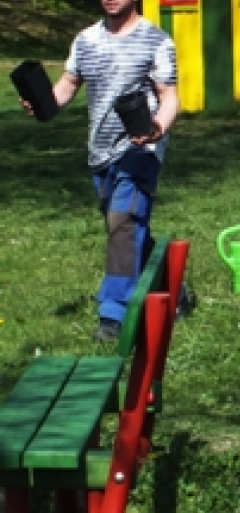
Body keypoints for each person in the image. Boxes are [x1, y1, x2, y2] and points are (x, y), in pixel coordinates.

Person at [19, 0, 179, 341]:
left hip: (140, 148)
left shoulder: (156, 40)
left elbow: (169, 96)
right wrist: (44, 102)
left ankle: (114, 314)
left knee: (122, 223)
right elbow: (68, 84)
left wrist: (157, 129)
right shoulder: (86, 40)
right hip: (100, 152)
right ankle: (168, 283)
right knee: (124, 223)